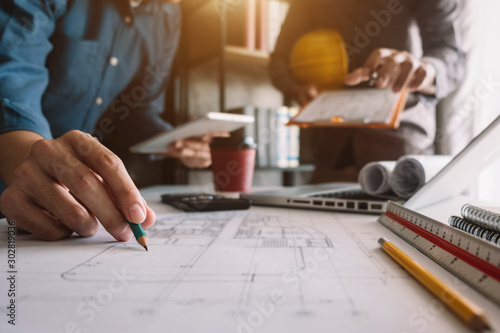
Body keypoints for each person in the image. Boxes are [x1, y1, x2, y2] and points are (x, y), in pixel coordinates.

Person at [0, 0, 218, 241]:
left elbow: (137, 109)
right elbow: (11, 76)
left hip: (75, 202)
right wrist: (31, 160)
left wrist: (179, 140)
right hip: (14, 191)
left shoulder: (168, 15)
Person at [269, 0, 466, 183]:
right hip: (329, 154)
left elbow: (452, 57)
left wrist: (423, 69)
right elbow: (279, 60)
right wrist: (294, 87)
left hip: (402, 153)